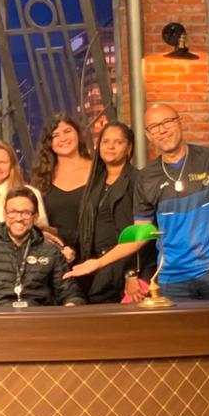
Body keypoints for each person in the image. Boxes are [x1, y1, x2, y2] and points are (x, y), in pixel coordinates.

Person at [67, 104, 209, 302]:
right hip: (172, 278)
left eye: (167, 122)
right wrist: (98, 263)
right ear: (148, 135)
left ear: (180, 122)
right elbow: (139, 235)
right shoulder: (146, 178)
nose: (162, 130)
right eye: (154, 127)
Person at [0, 188, 85, 308]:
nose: (18, 218)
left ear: (35, 217)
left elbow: (69, 291)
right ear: (4, 214)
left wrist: (72, 303)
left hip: (37, 317)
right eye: (12, 212)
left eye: (26, 213)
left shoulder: (50, 250)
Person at [76, 122, 153, 303]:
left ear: (129, 148)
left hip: (127, 271)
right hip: (100, 268)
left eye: (118, 142)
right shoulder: (96, 183)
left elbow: (139, 233)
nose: (110, 147)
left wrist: (131, 274)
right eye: (105, 142)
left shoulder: (137, 180)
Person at [30, 115, 92, 260]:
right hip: (55, 255)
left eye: (67, 131)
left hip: (93, 254)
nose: (63, 138)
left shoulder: (97, 171)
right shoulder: (42, 176)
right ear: (49, 143)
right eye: (55, 135)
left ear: (78, 134)